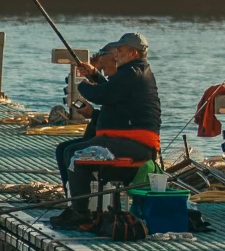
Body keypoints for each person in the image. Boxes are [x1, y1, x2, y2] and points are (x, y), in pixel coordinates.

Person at [56, 31, 162, 188]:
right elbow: (111, 91)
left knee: (74, 154)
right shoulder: (134, 72)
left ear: (132, 53)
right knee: (64, 149)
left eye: (120, 50)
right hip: (123, 139)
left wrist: (81, 84)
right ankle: (72, 198)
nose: (116, 54)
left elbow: (101, 95)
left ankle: (80, 210)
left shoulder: (132, 73)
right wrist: (94, 74)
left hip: (135, 144)